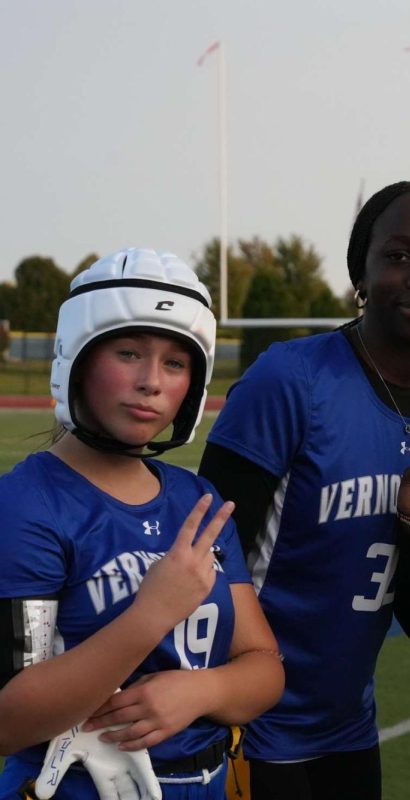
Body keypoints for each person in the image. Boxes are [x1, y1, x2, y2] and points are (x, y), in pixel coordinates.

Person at [197, 181, 410, 800]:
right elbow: (203, 559)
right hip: (250, 724)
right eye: (398, 255)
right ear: (362, 270)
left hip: (349, 730)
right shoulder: (292, 379)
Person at [0, 248, 284, 800]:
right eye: (128, 352)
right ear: (76, 359)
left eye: (176, 363)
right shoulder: (27, 504)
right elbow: (10, 721)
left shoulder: (195, 497)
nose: (152, 382)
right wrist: (151, 613)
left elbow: (265, 668)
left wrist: (200, 691)